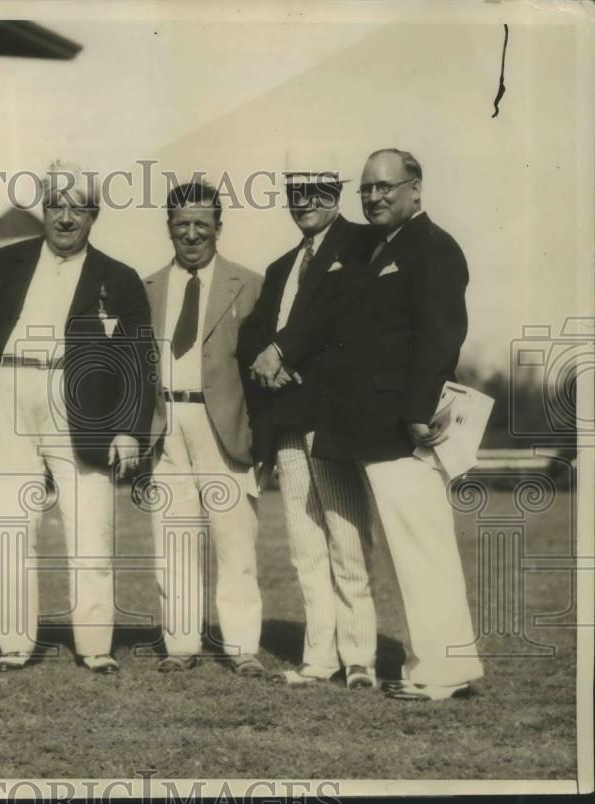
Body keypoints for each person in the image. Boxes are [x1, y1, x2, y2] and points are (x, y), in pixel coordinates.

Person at [251, 148, 484, 700]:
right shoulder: (387, 248)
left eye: (386, 186)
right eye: (368, 189)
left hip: (405, 427)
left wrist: (417, 414)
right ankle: (436, 665)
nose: (375, 197)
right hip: (375, 426)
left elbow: (440, 336)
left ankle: (440, 670)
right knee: (411, 550)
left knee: (422, 549)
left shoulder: (432, 247)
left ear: (416, 188)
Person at [0, 161, 155, 674]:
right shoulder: (4, 264)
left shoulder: (119, 278)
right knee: (8, 522)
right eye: (55, 205)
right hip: (7, 392)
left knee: (90, 526)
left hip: (81, 403)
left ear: (94, 214)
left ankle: (95, 646)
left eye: (78, 207)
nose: (65, 217)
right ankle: (15, 643)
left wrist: (130, 430)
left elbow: (138, 361)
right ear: (44, 210)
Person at [237, 159, 378, 689]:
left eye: (316, 191)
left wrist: (282, 352)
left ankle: (360, 657)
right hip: (288, 420)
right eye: (296, 192)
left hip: (335, 417)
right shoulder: (281, 267)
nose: (305, 202)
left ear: (336, 193)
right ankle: (320, 658)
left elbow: (341, 318)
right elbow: (252, 334)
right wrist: (263, 360)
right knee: (305, 543)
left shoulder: (362, 247)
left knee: (346, 537)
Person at [142, 180, 265, 676]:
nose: (192, 235)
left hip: (225, 425)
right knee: (173, 538)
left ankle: (242, 648)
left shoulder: (249, 284)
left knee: (235, 541)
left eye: (202, 225)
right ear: (168, 228)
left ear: (219, 226)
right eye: (181, 226)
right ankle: (181, 645)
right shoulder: (148, 288)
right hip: (166, 423)